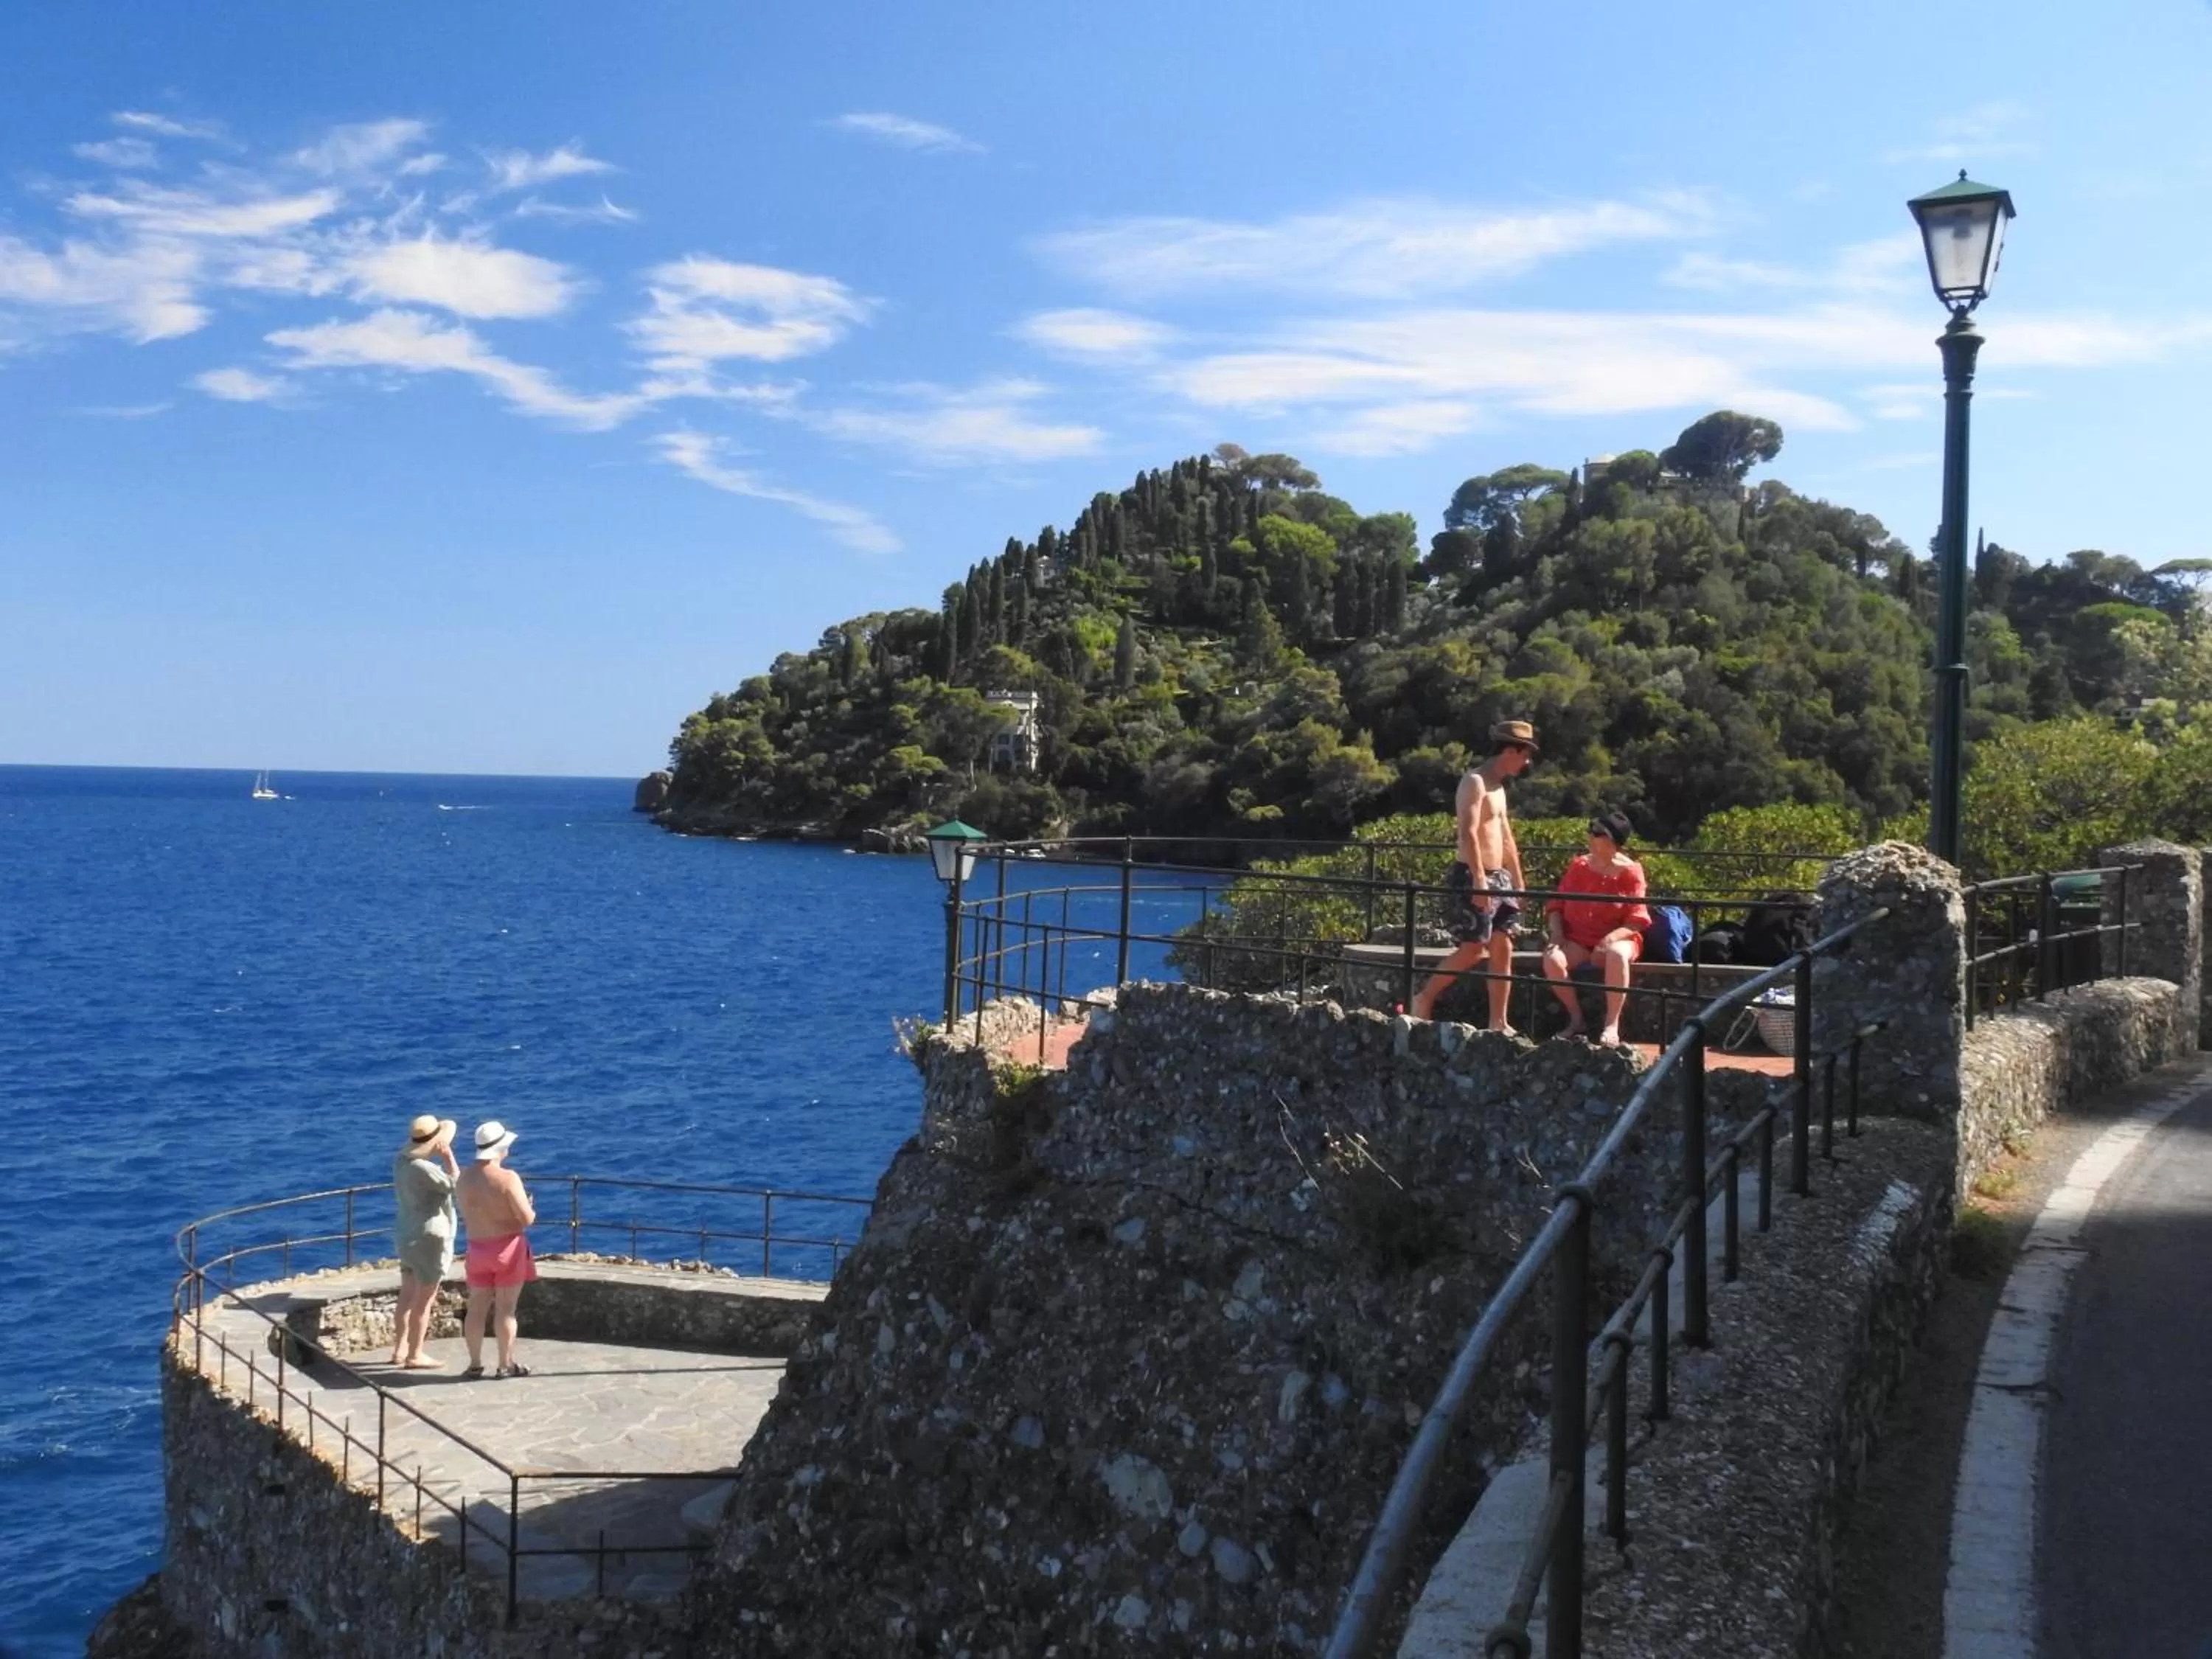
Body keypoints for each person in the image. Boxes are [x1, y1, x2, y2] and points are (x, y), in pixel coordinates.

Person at [1411, 720, 1537, 1029]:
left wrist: (1518, 882)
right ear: (1510, 750)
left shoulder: (1500, 789)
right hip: (1473, 874)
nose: (1527, 762)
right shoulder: (1475, 782)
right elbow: (1468, 833)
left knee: (1503, 946)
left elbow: (1506, 838)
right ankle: (1423, 997)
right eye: (1524, 754)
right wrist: (1480, 881)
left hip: (1500, 878)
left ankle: (1499, 1022)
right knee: (1472, 949)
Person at [1540, 810, 1652, 1047]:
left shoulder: (1631, 873)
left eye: (1597, 833)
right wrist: (1557, 934)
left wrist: (1610, 939)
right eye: (1591, 831)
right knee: (1552, 959)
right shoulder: (1579, 866)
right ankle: (1576, 1019)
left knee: (1617, 954)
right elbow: (1556, 905)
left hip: (1619, 937)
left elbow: (1637, 919)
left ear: (1612, 841)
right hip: (1579, 939)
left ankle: (1612, 1025)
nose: (1590, 836)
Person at [456, 1120, 537, 1380]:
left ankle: (475, 1364)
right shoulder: (508, 1178)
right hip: (508, 1249)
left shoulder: (465, 1177)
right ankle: (505, 1364)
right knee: (505, 1310)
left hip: (477, 1249)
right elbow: (526, 1219)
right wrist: (529, 1207)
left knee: (476, 1308)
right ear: (501, 1148)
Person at [390, 1115, 459, 1368]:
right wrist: (448, 1158)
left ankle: (399, 1349)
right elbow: (454, 1184)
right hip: (428, 1236)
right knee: (424, 1299)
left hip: (406, 1232)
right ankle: (415, 1354)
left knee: (407, 1294)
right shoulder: (425, 1168)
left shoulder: (402, 1163)